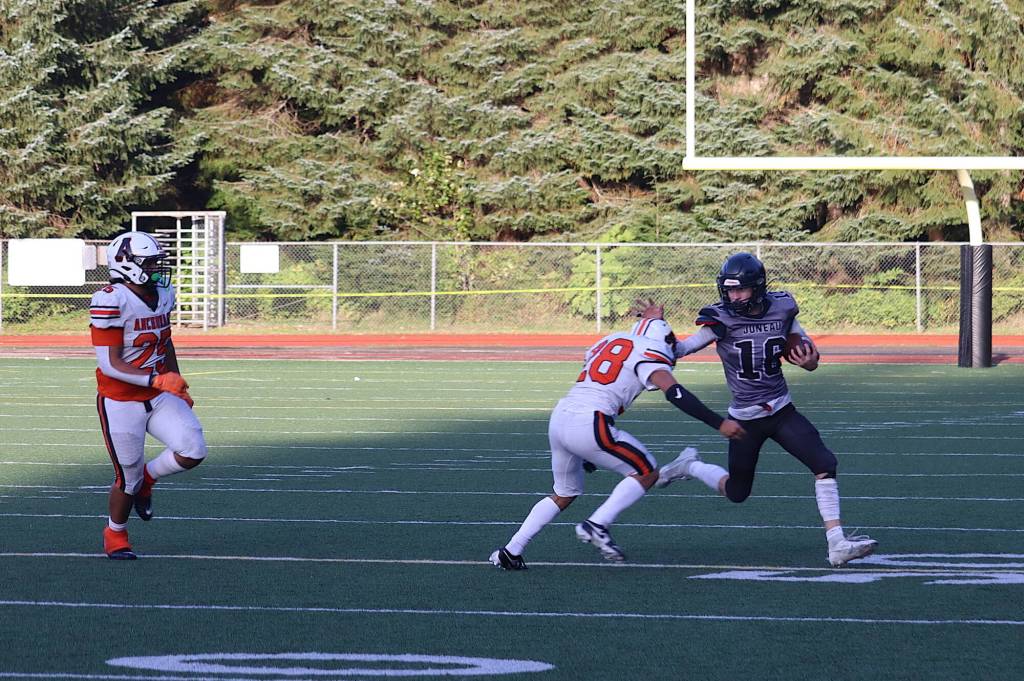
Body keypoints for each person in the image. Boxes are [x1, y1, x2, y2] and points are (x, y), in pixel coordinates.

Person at [649, 252, 878, 567]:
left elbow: (809, 356)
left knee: (824, 462)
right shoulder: (720, 319)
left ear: (757, 288)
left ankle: (837, 542)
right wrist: (657, 328)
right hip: (745, 419)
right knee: (737, 492)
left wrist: (810, 360)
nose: (734, 296)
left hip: (781, 410)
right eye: (729, 290)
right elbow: (682, 348)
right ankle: (689, 466)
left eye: (740, 290)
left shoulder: (783, 308)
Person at [489, 317, 745, 570]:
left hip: (561, 418)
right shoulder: (651, 352)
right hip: (591, 421)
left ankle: (511, 551)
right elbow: (675, 393)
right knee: (646, 472)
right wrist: (718, 423)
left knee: (565, 493)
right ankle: (597, 524)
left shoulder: (612, 340)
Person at [90, 231, 208, 560]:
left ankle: (149, 478)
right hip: (120, 399)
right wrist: (159, 380)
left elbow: (164, 340)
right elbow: (110, 364)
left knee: (193, 449)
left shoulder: (162, 293)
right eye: (150, 263)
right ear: (127, 265)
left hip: (157, 393)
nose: (157, 270)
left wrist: (177, 380)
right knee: (125, 477)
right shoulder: (110, 299)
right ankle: (115, 533)